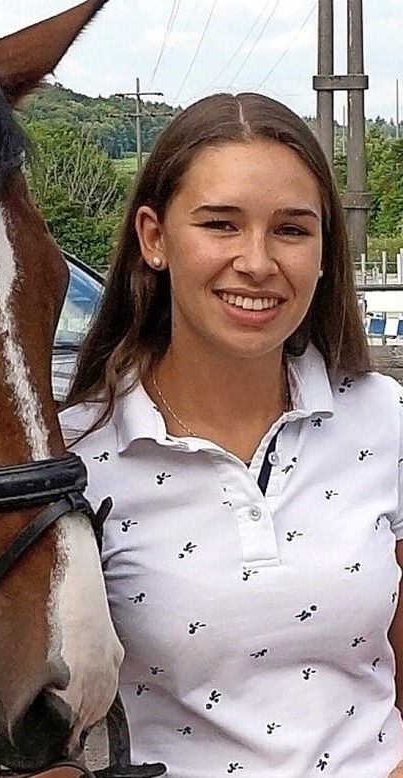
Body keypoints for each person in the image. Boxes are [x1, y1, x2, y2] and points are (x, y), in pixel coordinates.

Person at [59, 92, 403, 777]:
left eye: (292, 230)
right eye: (221, 224)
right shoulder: (74, 456)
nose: (257, 261)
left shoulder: (384, 419)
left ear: (326, 248)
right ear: (155, 238)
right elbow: (33, 730)